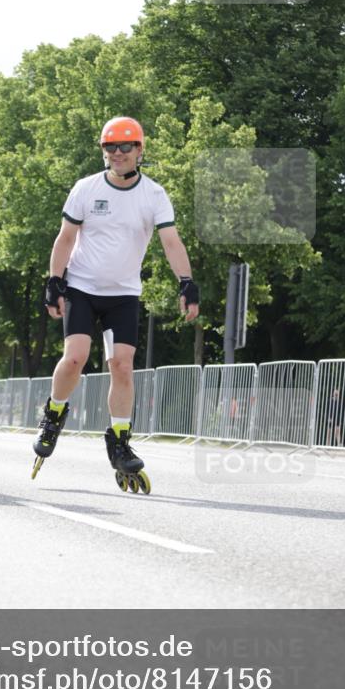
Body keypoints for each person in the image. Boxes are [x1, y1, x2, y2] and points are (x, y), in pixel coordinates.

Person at [32, 116, 199, 494]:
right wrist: (53, 281)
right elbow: (65, 237)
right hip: (82, 287)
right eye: (111, 147)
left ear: (141, 151)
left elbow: (171, 241)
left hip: (123, 293)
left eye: (126, 146)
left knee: (122, 365)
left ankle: (120, 440)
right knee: (75, 356)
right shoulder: (86, 188)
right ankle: (54, 413)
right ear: (103, 151)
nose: (118, 153)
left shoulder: (153, 194)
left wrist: (186, 283)